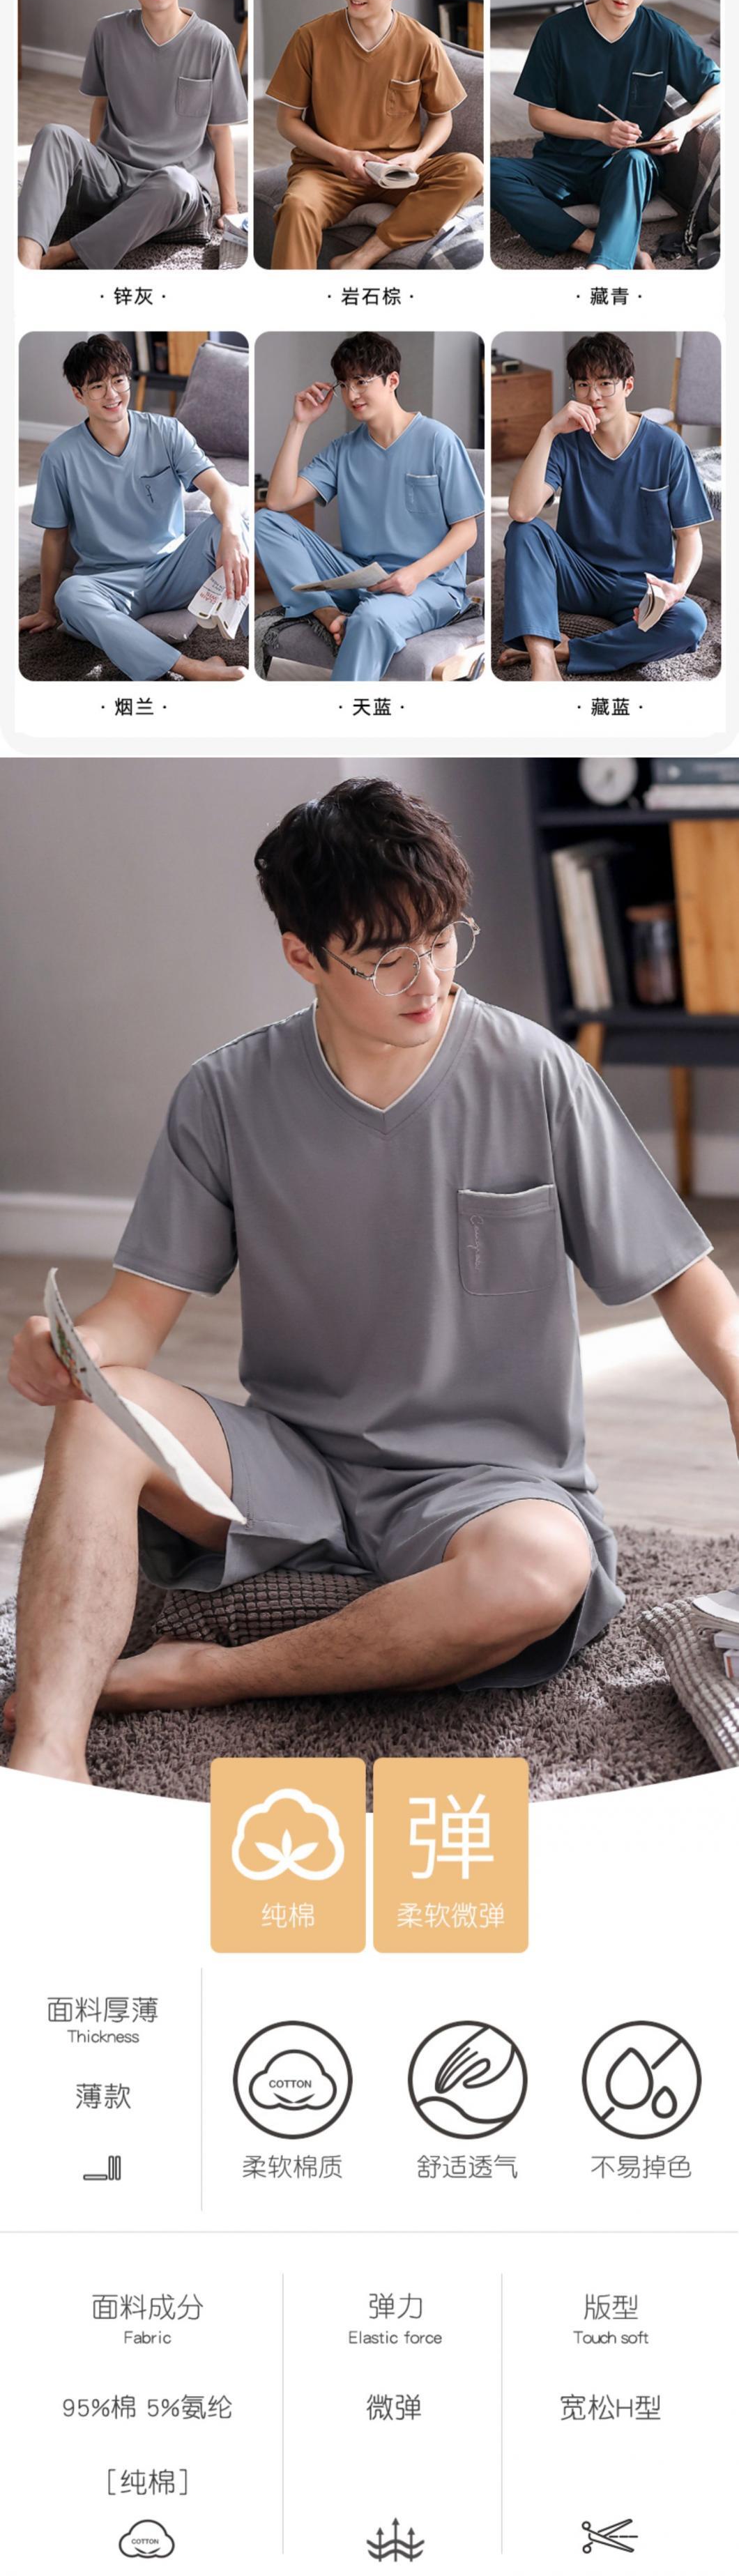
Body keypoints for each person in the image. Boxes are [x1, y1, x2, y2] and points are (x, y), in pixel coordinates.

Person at [6, 777, 739, 1788]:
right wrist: (66, 1352)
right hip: (294, 1462)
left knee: (544, 1567)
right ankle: (47, 1758)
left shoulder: (537, 1074)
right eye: (385, 957)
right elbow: (134, 1317)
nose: (426, 979)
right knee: (97, 1413)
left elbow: (690, 1285)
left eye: (441, 940)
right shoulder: (225, 1094)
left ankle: (213, 1673)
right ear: (301, 955)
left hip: (487, 1484)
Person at [254, 332, 482, 682]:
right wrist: (300, 423)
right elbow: (279, 501)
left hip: (429, 585)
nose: (352, 395)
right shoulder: (343, 449)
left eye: (362, 381)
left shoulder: (439, 440)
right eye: (345, 385)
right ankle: (327, 614)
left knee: (370, 618)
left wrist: (414, 574)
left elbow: (467, 532)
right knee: (267, 521)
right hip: (359, 576)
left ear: (393, 381)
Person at [490, 0, 721, 272]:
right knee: (490, 173)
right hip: (559, 165)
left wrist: (685, 124)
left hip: (623, 169)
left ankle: (603, 268)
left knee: (636, 162)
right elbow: (539, 115)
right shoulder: (556, 32)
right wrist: (600, 131)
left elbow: (719, 88)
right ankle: (599, 244)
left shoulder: (665, 35)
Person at [20, 335, 247, 684]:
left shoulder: (168, 432)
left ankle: (251, 635)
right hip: (107, 584)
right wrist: (45, 608)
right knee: (71, 595)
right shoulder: (59, 457)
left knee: (235, 526)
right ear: (78, 395)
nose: (112, 394)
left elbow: (218, 488)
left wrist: (230, 531)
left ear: (128, 380)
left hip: (171, 572)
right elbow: (55, 536)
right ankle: (190, 667)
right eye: (97, 386)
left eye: (118, 381)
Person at [17, 0, 247, 271]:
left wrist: (229, 209)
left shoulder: (213, 44)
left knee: (175, 182)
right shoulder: (107, 32)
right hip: (113, 176)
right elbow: (100, 106)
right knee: (53, 135)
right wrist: (97, 166)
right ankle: (27, 262)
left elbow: (219, 132)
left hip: (176, 191)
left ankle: (64, 253)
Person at [264, 0, 484, 270]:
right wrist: (341, 158)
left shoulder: (422, 43)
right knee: (296, 207)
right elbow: (287, 121)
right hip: (329, 173)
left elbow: (442, 117)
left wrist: (418, 157)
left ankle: (360, 257)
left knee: (471, 170)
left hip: (397, 174)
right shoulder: (310, 39)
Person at [499, 332, 713, 682]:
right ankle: (543, 662)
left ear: (627, 386)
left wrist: (679, 588)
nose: (593, 395)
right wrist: (548, 431)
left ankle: (571, 649)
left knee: (690, 622)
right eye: (583, 384)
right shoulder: (566, 442)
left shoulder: (668, 447)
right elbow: (522, 511)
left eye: (605, 383)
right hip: (577, 578)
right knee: (524, 532)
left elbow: (690, 535)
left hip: (640, 588)